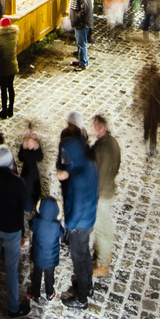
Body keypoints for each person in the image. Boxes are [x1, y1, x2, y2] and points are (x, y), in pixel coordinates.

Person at [0, 144, 31, 317]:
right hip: (12, 230)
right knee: (11, 269)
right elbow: (28, 206)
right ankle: (13, 307)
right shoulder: (17, 182)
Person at [57, 115, 99, 306]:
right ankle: (87, 286)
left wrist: (70, 227)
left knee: (79, 260)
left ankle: (81, 298)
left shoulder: (77, 177)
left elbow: (76, 203)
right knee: (85, 256)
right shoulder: (89, 164)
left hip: (79, 224)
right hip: (89, 219)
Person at [90, 115, 122, 278]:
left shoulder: (102, 149)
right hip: (108, 189)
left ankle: (102, 264)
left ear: (101, 127)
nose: (93, 128)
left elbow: (98, 175)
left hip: (101, 193)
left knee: (101, 228)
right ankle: (104, 252)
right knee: (105, 226)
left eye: (95, 126)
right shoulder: (112, 142)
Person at [134, 63, 160, 154]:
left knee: (147, 124)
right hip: (156, 112)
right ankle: (152, 148)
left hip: (148, 110)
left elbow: (140, 95)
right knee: (153, 130)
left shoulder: (146, 83)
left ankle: (145, 136)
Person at [29, 195, 64, 301]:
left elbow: (30, 224)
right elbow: (62, 234)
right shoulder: (56, 225)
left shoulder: (36, 221)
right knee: (50, 277)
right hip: (51, 258)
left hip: (38, 256)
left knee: (37, 275)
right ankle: (49, 293)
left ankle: (35, 293)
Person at [0, 16, 21, 118]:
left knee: (3, 89)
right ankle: (11, 110)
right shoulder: (15, 36)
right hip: (12, 64)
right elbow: (16, 47)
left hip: (3, 65)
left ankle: (4, 111)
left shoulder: (0, 38)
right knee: (11, 87)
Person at [67, 0, 93, 69]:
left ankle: (83, 63)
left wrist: (78, 18)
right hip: (80, 23)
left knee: (82, 43)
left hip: (82, 23)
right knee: (80, 43)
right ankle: (81, 59)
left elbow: (84, 8)